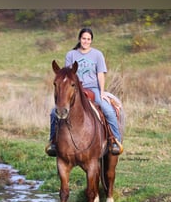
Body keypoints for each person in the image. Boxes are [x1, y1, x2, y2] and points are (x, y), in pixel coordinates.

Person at [46, 27, 123, 156]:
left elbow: (100, 74)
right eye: (83, 38)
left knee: (108, 110)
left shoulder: (97, 55)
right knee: (54, 113)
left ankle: (114, 140)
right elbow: (67, 75)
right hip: (75, 88)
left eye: (88, 39)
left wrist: (102, 92)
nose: (86, 41)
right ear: (79, 39)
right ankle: (53, 142)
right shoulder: (71, 55)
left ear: (91, 40)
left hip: (93, 88)